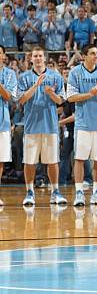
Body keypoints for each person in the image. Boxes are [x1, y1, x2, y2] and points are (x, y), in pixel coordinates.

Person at [17, 46, 66, 207]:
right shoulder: (24, 77)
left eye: (40, 56)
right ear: (31, 59)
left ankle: (55, 192)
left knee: (52, 161)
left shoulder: (55, 76)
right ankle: (29, 192)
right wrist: (36, 86)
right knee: (29, 162)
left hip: (50, 125)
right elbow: (21, 100)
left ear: (44, 58)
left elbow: (60, 101)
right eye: (35, 56)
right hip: (31, 126)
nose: (37, 58)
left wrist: (51, 93)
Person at [67, 44, 97, 206]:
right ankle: (79, 193)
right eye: (92, 53)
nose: (96, 56)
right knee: (80, 159)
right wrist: (90, 94)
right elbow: (71, 97)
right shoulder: (75, 73)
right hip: (83, 123)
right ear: (84, 56)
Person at [0, 45, 17, 205]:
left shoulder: (10, 74)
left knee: (0, 160)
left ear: (4, 56)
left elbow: (7, 96)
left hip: (2, 122)